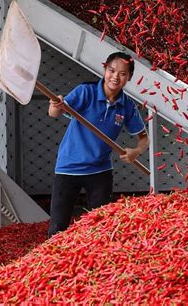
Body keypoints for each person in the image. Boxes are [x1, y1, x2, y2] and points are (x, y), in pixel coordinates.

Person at [47, 52, 149, 237]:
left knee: (102, 229)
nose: (115, 77)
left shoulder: (127, 106)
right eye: (111, 70)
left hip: (100, 171)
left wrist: (136, 151)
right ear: (104, 70)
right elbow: (54, 113)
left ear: (129, 78)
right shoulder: (86, 92)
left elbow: (144, 138)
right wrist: (56, 104)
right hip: (68, 168)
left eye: (123, 74)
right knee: (57, 229)